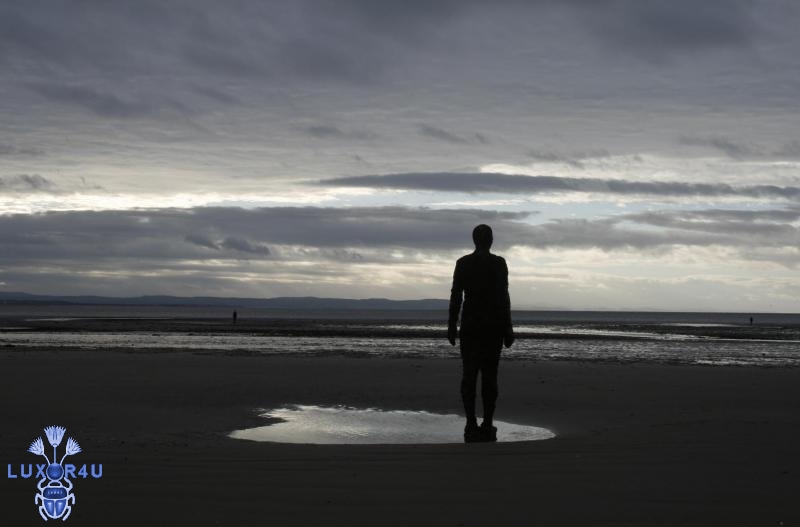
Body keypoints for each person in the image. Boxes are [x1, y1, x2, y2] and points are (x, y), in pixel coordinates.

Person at [448, 224, 514, 443]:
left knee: (470, 375)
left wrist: (452, 324)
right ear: (490, 240)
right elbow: (503, 297)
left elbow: (456, 296)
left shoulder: (464, 263)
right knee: (488, 377)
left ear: (475, 240)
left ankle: (472, 423)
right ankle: (485, 423)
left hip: (472, 326)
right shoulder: (498, 263)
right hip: (491, 327)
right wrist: (508, 327)